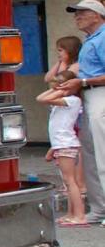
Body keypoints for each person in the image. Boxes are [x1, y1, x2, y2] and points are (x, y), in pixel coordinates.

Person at [56, 0, 105, 225]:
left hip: (100, 94)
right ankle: (98, 209)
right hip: (90, 94)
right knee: (91, 155)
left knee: (101, 153)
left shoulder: (103, 37)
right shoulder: (90, 40)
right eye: (76, 14)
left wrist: (81, 81)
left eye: (83, 13)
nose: (77, 17)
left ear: (97, 15)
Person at [37, 69, 87, 226]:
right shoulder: (62, 102)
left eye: (61, 84)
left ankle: (79, 215)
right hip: (62, 144)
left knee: (70, 181)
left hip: (67, 144)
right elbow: (41, 97)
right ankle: (71, 214)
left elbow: (41, 99)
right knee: (67, 183)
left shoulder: (72, 100)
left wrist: (59, 90)